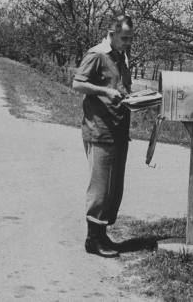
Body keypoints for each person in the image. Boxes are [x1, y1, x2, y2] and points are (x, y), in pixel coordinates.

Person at [72, 15, 133, 258]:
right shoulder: (97, 54)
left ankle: (102, 234)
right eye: (124, 37)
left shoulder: (121, 56)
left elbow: (121, 87)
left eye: (130, 38)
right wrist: (104, 91)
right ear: (112, 33)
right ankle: (93, 239)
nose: (128, 42)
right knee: (100, 188)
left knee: (113, 189)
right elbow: (77, 83)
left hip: (118, 129)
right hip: (100, 129)